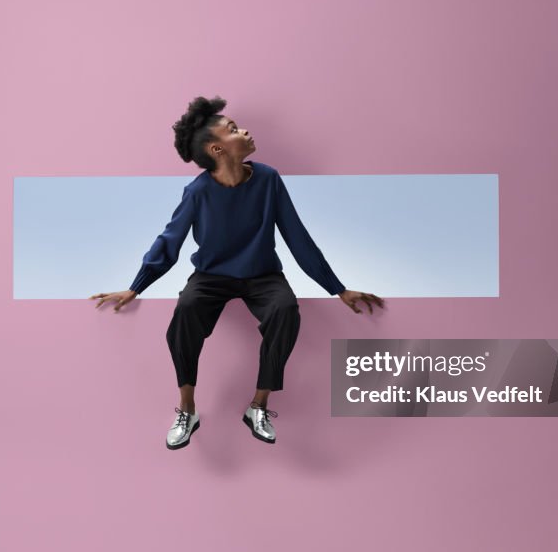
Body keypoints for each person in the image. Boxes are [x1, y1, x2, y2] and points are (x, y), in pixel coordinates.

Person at [91, 96, 384, 449]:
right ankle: (188, 409)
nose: (244, 131)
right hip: (211, 277)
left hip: (263, 275)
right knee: (185, 312)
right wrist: (134, 288)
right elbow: (169, 242)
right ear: (217, 149)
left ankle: (258, 407)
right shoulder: (198, 191)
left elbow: (298, 238)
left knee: (285, 310)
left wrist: (339, 289)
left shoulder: (268, 179)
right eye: (233, 130)